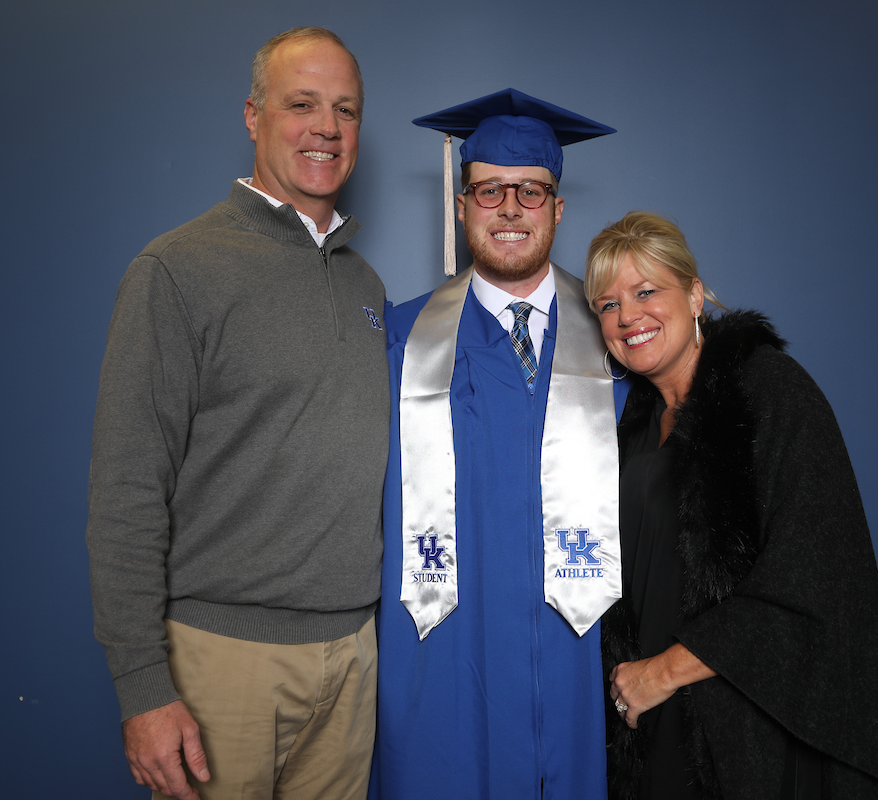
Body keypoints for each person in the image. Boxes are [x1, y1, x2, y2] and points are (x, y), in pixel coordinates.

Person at [86, 27, 387, 800]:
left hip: (353, 658)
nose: (327, 126)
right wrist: (142, 686)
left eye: (345, 110)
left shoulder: (368, 288)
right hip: (222, 660)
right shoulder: (176, 270)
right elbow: (126, 490)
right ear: (253, 117)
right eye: (302, 104)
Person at [585, 211, 878, 799]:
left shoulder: (768, 392)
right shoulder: (632, 425)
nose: (628, 316)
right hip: (650, 721)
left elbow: (814, 577)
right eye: (608, 304)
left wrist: (665, 672)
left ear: (694, 295)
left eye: (645, 291)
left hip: (747, 726)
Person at [371, 89, 625, 800]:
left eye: (531, 192)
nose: (510, 208)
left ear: (558, 209)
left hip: (578, 679)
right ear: (462, 206)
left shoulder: (617, 340)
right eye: (489, 191)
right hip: (444, 674)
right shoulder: (398, 340)